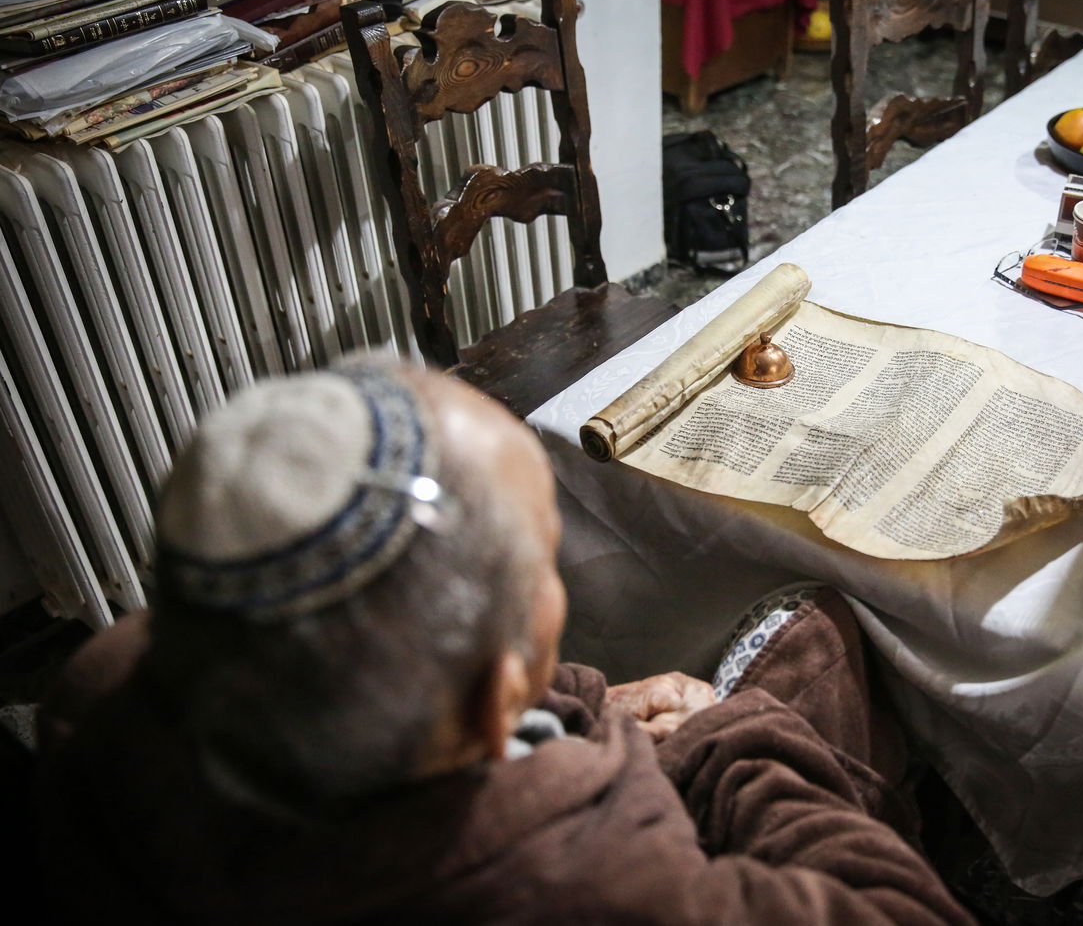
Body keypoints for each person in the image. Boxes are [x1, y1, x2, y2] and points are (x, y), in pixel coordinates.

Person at [37, 359, 976, 926]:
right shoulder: (605, 882)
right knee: (817, 648)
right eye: (544, 567)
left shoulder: (109, 681)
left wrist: (583, 705)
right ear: (495, 701)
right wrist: (724, 741)